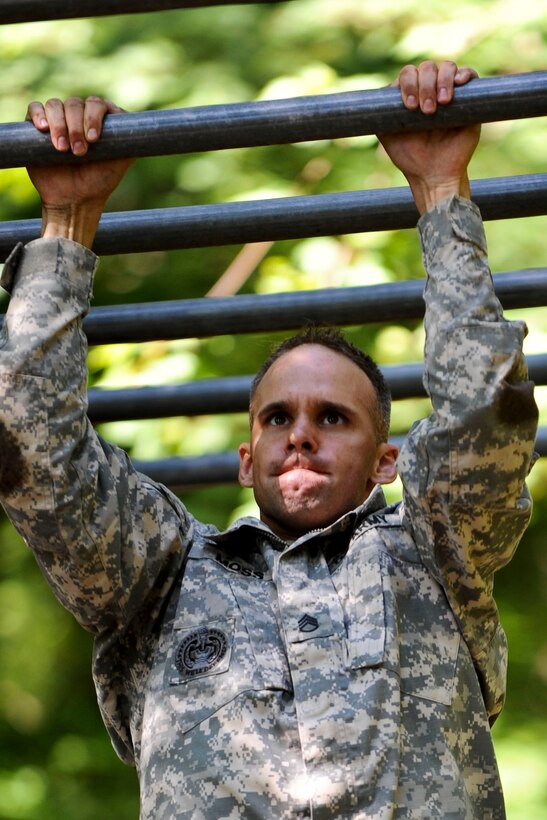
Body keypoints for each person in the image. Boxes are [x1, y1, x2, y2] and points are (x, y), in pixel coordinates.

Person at [0, 61, 538, 818]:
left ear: (386, 462)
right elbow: (31, 446)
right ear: (246, 457)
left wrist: (441, 191)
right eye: (277, 418)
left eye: (334, 418)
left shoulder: (431, 554)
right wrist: (67, 224)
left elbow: (485, 408)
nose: (302, 436)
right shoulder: (160, 578)